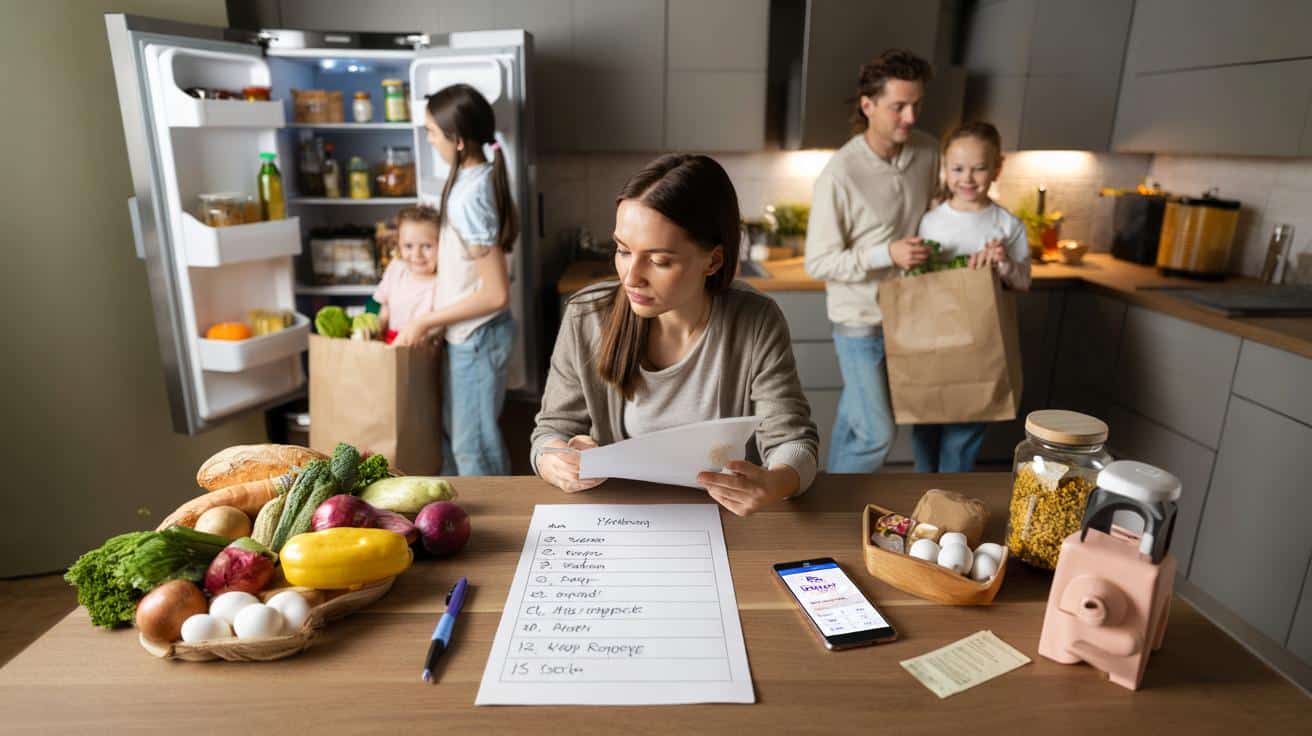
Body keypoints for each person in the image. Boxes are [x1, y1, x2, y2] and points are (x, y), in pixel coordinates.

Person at [532, 154, 819, 516]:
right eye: (622, 250)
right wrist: (556, 460)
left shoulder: (755, 320)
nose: (631, 276)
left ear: (713, 261)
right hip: (621, 518)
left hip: (725, 520)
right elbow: (550, 433)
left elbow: (794, 442)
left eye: (659, 260)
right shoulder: (586, 316)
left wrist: (774, 482)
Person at [804, 48, 938, 473]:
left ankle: (831, 502)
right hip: (860, 321)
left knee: (857, 421)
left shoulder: (930, 153)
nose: (911, 117)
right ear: (868, 106)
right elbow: (819, 261)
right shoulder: (840, 173)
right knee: (877, 431)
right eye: (899, 106)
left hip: (911, 316)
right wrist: (888, 253)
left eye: (916, 105)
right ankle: (840, 512)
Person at [393, 83, 518, 477]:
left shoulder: (470, 198)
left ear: (457, 140)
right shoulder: (472, 179)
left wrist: (425, 321)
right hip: (467, 336)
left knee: (473, 447)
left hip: (478, 338)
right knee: (461, 440)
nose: (428, 139)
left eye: (432, 131)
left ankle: (509, 535)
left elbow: (497, 294)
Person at [911, 121, 1030, 472]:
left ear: (997, 169)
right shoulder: (931, 221)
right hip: (934, 343)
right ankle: (924, 504)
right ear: (945, 169)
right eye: (958, 168)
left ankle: (950, 507)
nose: (968, 178)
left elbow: (1023, 281)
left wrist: (1003, 262)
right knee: (925, 429)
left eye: (979, 168)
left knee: (963, 436)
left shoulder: (1007, 226)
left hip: (983, 344)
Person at [374, 205, 440, 345]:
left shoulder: (440, 282)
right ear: (399, 245)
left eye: (427, 246)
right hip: (391, 342)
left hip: (423, 347)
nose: (417, 255)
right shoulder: (396, 269)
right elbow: (386, 308)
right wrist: (377, 328)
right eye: (408, 246)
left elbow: (440, 326)